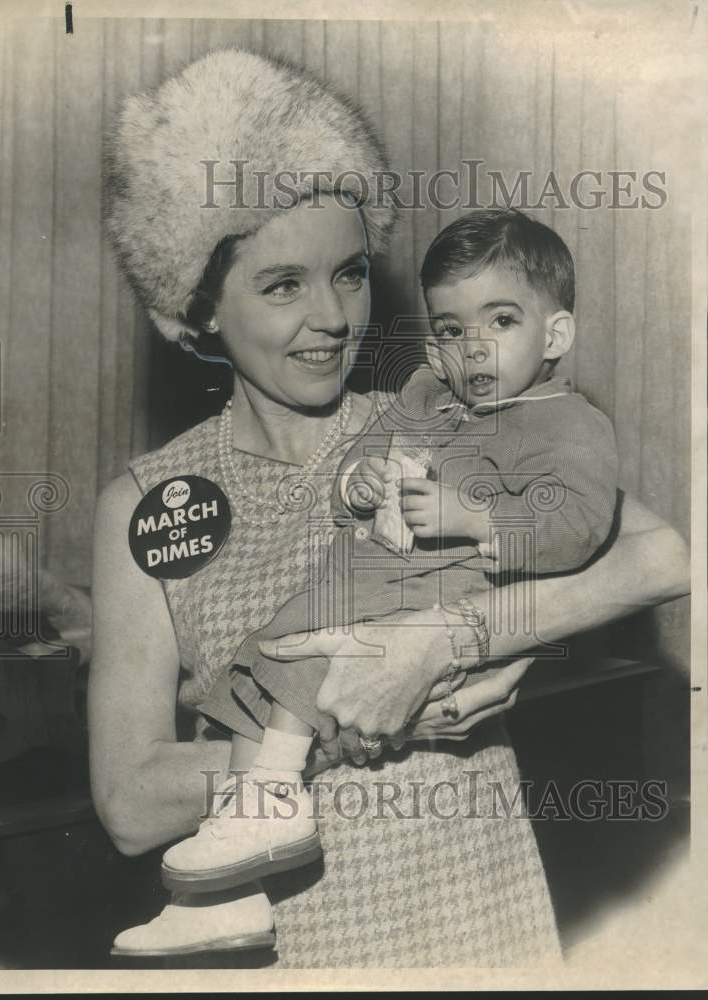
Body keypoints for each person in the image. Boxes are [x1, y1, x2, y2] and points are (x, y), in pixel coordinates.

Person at [90, 48, 690, 966]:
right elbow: (132, 804)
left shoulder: (445, 412)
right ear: (197, 308)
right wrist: (372, 720)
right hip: (303, 944)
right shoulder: (150, 503)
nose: (332, 316)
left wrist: (453, 639)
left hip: (478, 907)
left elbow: (661, 557)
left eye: (351, 272)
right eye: (282, 284)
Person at [159, 209, 619, 904]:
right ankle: (229, 889)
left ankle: (269, 808)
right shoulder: (425, 397)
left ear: (553, 334)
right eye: (450, 330)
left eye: (500, 322)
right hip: (370, 574)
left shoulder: (567, 422)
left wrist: (476, 520)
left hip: (429, 592)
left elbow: (582, 526)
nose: (473, 350)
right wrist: (359, 480)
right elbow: (363, 464)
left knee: (297, 661)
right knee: (259, 674)